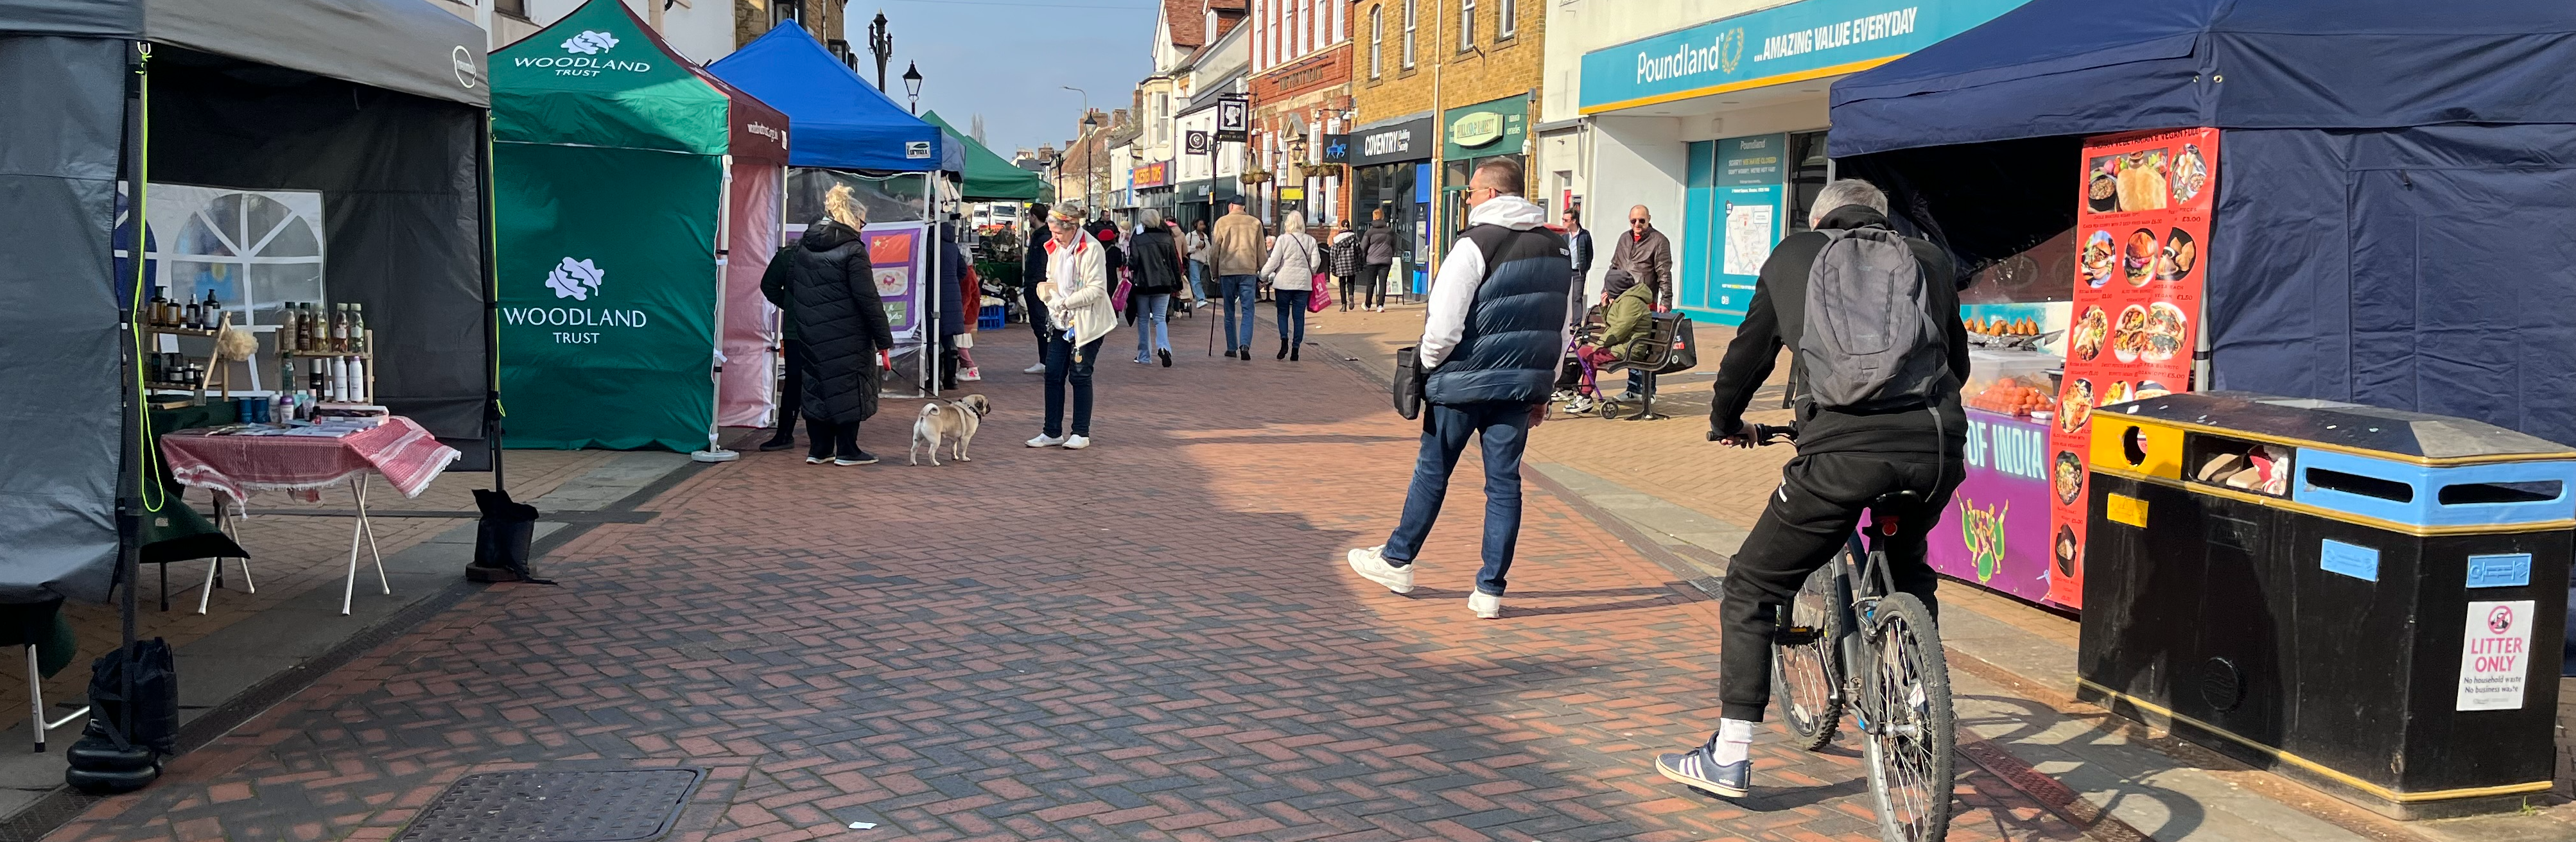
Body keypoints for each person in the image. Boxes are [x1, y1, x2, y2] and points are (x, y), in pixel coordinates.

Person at [1655, 179, 1967, 798]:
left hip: (1840, 460)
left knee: (1751, 582)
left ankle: (1730, 753)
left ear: (1819, 219)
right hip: (1934, 453)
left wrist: (1725, 422)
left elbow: (1747, 358)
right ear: (1881, 220)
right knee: (1907, 564)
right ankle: (1914, 699)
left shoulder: (1794, 256)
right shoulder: (1929, 260)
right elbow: (1955, 364)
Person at [1343, 158, 1569, 619]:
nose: (1466, 201)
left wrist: (1425, 368)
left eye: (1469, 193)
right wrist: (1544, 387)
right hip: (1519, 388)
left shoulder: (1472, 245)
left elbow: (1444, 325)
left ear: (1488, 193)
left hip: (1462, 383)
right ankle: (1490, 591)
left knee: (1433, 471)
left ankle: (1397, 560)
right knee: (1504, 485)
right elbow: (1563, 324)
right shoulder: (1557, 249)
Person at [785, 184, 895, 465]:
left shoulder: (802, 247)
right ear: (852, 218)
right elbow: (868, 298)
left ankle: (819, 449)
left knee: (816, 385)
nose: (864, 227)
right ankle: (848, 450)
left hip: (810, 330)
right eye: (863, 221)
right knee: (848, 387)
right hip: (848, 332)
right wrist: (884, 339)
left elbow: (794, 288)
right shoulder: (853, 251)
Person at [1030, 207, 1115, 449]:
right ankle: (1051, 431)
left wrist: (1066, 302)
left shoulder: (1092, 248)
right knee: (1053, 373)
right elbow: (1050, 277)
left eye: (1058, 233)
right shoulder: (1055, 247)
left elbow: (1097, 289)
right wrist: (1049, 295)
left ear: (1072, 228)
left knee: (1079, 373)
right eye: (1052, 232)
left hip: (1088, 321)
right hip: (1061, 321)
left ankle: (1080, 432)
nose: (1054, 237)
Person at [1563, 270, 1655, 415]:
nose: (1606, 290)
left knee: (1588, 355)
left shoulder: (1631, 302)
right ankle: (1576, 391)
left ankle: (1585, 396)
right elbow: (1613, 324)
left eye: (1608, 287)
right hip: (1621, 345)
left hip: (1630, 348)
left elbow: (1619, 329)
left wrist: (1599, 345)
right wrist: (1605, 306)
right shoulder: (1624, 299)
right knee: (1583, 353)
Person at [1607, 205, 1674, 400]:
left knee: (1645, 347)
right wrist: (1607, 290)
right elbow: (1615, 266)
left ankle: (1646, 391)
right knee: (1629, 344)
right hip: (1623, 300)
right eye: (1634, 221)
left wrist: (1666, 300)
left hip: (1645, 302)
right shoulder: (1624, 239)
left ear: (1649, 219)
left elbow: (1664, 273)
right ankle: (1633, 389)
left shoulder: (1659, 241)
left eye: (1642, 221)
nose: (1638, 224)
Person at [754, 242, 805, 451]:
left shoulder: (789, 254)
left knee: (794, 382)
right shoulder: (841, 250)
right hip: (824, 331)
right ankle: (825, 438)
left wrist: (791, 306)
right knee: (819, 382)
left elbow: (769, 286)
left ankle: (785, 434)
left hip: (797, 329)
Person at [1259, 211, 1321, 361]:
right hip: (1303, 284)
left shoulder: (1283, 239)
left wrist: (1262, 276)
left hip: (1284, 282)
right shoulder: (1310, 240)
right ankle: (1296, 348)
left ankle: (1284, 340)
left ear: (1288, 223)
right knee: (1299, 316)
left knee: (1282, 313)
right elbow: (1316, 262)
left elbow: (1274, 261)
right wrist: (1309, 271)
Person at [1127, 209, 1185, 367]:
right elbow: (1174, 261)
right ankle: (1164, 347)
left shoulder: (1137, 239)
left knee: (1144, 319)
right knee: (1160, 319)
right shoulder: (1167, 238)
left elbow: (1133, 262)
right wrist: (1177, 283)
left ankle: (1144, 355)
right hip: (1164, 283)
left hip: (1143, 284)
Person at [1210, 199, 1266, 360]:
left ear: (1230, 206)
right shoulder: (1255, 223)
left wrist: (1215, 273)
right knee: (1248, 310)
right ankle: (1245, 345)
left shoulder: (1222, 222)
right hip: (1248, 271)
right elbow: (1261, 250)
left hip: (1227, 271)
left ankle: (1231, 347)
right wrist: (1262, 271)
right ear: (1244, 208)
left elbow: (1215, 251)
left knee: (1229, 310)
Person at [1020, 203, 1055, 375]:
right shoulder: (1042, 236)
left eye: (1029, 215)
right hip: (1037, 284)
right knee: (1040, 324)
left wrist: (1035, 282)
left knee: (1040, 324)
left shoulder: (1042, 238)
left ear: (1034, 216)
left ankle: (1046, 360)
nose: (1028, 219)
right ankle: (1045, 360)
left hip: (1037, 285)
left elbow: (1040, 264)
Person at [1360, 205, 1397, 312]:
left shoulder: (1369, 232)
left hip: (1372, 260)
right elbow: (1394, 245)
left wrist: (1364, 258)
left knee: (1371, 283)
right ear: (1383, 217)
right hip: (1386, 260)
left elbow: (1363, 247)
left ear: (1374, 217)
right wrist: (1390, 254)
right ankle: (1380, 305)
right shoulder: (1390, 231)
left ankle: (1367, 304)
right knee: (1383, 283)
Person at [1562, 207, 1594, 316]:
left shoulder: (1585, 235)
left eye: (1566, 220)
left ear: (1574, 221)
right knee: (1564, 296)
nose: (1564, 222)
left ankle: (1577, 324)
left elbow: (1590, 254)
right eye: (1563, 219)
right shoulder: (1564, 235)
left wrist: (1585, 268)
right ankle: (1564, 322)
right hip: (1565, 271)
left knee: (1577, 297)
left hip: (1578, 272)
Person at [1328, 222, 1362, 312]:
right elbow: (1359, 251)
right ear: (1349, 226)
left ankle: (1344, 305)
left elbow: (1333, 254)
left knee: (1342, 284)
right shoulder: (1354, 237)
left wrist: (1333, 267)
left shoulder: (1336, 239)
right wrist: (1360, 263)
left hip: (1341, 264)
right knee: (1351, 281)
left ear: (1341, 226)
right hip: (1352, 263)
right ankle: (1351, 295)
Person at [1184, 218, 1214, 309]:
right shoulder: (1190, 235)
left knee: (1198, 280)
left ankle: (1188, 298)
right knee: (1196, 279)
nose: (1203, 226)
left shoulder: (1205, 237)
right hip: (1193, 260)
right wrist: (1195, 247)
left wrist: (1210, 262)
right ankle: (1201, 299)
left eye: (1203, 224)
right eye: (1200, 224)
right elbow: (1185, 248)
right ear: (1196, 225)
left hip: (1202, 261)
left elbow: (1208, 251)